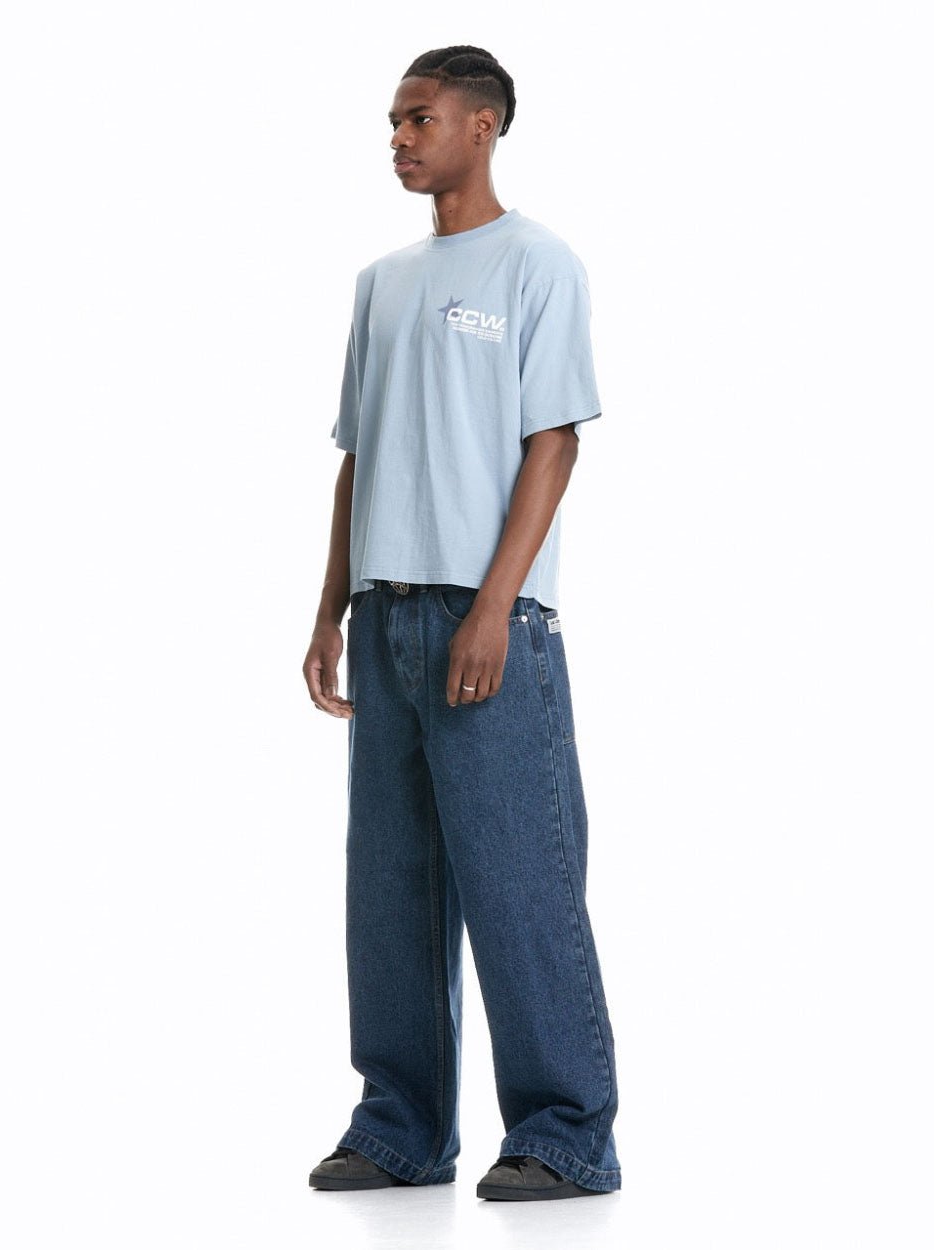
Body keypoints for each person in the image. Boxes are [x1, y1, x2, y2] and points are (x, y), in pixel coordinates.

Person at [303, 45, 621, 1202]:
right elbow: (358, 457)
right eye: (392, 121)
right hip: (383, 609)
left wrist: (494, 604)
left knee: (519, 878)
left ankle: (566, 1134)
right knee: (390, 886)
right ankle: (399, 1128)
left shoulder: (538, 263)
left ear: (481, 126)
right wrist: (329, 606)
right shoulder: (379, 283)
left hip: (488, 617)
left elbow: (554, 443)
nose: (398, 138)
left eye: (418, 118)